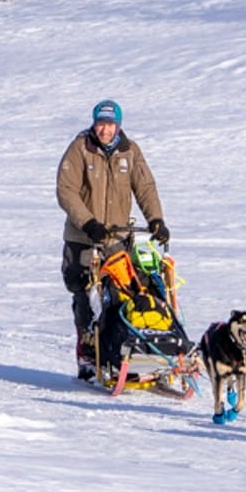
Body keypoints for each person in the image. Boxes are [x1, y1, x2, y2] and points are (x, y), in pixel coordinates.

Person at [57, 100, 168, 378]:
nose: (104, 130)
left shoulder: (129, 151)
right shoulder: (81, 148)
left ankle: (124, 350)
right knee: (85, 292)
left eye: (109, 125)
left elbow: (145, 186)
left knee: (125, 291)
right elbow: (66, 191)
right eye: (100, 124)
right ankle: (86, 353)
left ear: (118, 125)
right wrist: (89, 222)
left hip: (117, 236)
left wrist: (156, 219)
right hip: (83, 237)